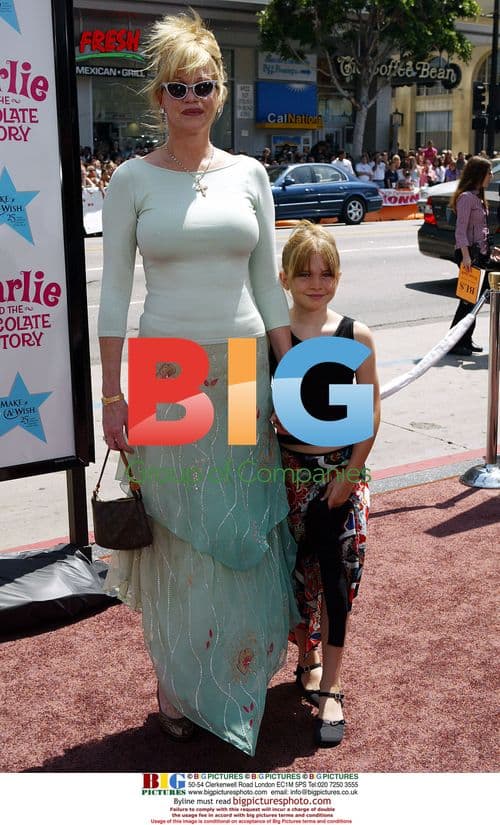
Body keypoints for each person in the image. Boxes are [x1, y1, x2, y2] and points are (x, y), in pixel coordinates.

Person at [97, 10, 299, 756]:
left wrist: (295, 374)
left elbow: (269, 290)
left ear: (220, 92)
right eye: (177, 85)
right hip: (164, 372)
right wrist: (113, 396)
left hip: (247, 362)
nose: (191, 95)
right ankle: (179, 685)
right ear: (159, 95)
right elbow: (114, 296)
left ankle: (240, 676)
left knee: (246, 524)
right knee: (181, 532)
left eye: (203, 84)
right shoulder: (131, 180)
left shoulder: (250, 174)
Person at [271, 221, 380, 746]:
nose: (318, 282)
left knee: (339, 577)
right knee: (294, 581)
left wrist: (350, 474)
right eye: (305, 273)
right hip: (283, 478)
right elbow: (247, 419)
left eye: (328, 272)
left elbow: (369, 416)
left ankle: (331, 687)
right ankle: (307, 661)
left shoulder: (355, 336)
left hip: (342, 475)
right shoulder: (265, 338)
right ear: (285, 277)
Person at [449, 156, 500, 356]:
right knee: (467, 300)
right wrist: (466, 256)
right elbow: (460, 231)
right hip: (469, 255)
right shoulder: (466, 198)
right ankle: (454, 342)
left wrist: (491, 249)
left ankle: (465, 339)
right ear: (479, 174)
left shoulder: (478, 196)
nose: (492, 175)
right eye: (489, 172)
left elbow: (481, 230)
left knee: (475, 300)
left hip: (480, 254)